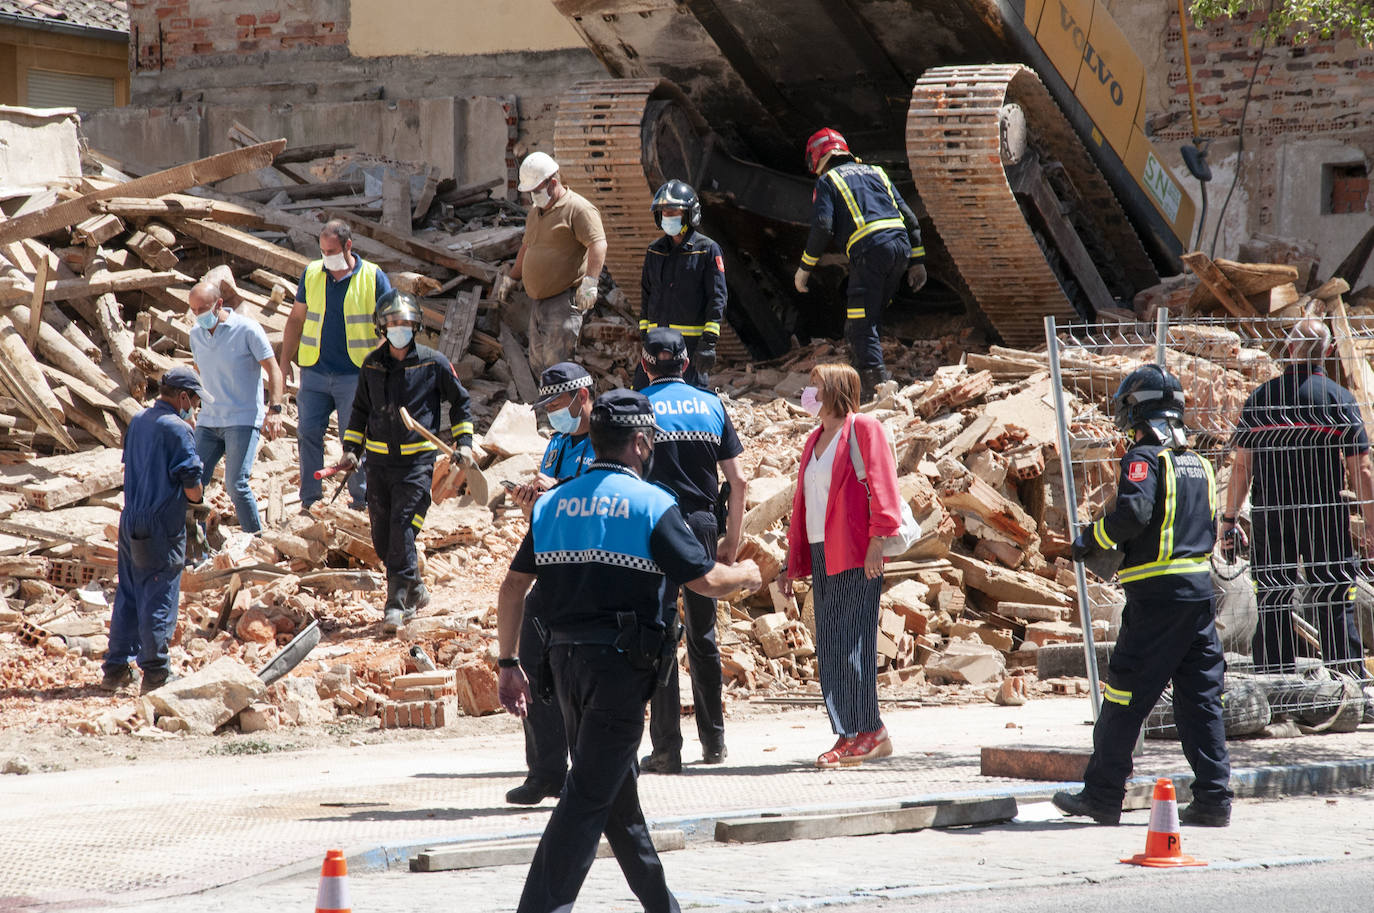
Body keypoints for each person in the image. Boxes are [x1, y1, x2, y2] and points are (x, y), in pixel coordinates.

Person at [495, 389, 762, 913]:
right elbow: (705, 579)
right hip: (619, 673)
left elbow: (512, 589)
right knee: (587, 798)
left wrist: (508, 663)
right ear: (641, 442)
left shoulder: (552, 503)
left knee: (617, 799)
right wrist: (747, 575)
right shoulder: (652, 503)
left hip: (563, 667)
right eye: (653, 441)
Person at [1056, 365, 1232, 827]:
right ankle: (1214, 801)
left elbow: (1133, 513)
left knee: (1123, 696)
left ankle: (1102, 796)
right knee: (1199, 700)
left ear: (1140, 409)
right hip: (1198, 597)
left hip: (1157, 601)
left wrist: (1091, 538)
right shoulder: (1201, 464)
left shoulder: (1145, 457)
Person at [1225, 317, 1374, 679]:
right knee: (1333, 595)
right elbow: (1361, 471)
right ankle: (1345, 681)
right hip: (1324, 514)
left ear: (1290, 350)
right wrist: (1371, 525)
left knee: (1273, 596)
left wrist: (1228, 520)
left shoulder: (1261, 400)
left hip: (1272, 513)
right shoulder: (1339, 400)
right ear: (1327, 353)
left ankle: (1275, 682)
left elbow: (1242, 468)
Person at [780, 363, 900, 767]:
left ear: (833, 390)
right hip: (821, 551)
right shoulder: (814, 438)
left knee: (853, 642)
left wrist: (877, 542)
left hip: (855, 550)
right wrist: (789, 562)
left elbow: (884, 485)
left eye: (814, 386)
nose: (808, 392)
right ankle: (851, 732)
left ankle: (868, 731)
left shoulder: (864, 428)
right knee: (831, 643)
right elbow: (805, 505)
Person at [638, 328, 747, 773]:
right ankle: (715, 744)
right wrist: (732, 541)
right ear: (685, 364)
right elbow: (738, 481)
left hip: (656, 527)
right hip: (703, 527)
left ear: (646, 364)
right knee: (703, 636)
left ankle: (666, 750)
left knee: (662, 634)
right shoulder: (711, 404)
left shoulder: (639, 406)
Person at [331, 290, 473, 633]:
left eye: (405, 323)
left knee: (402, 531)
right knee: (382, 540)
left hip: (417, 466)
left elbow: (461, 403)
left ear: (416, 326)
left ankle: (395, 605)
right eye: (393, 323)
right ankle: (417, 589)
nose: (399, 328)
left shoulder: (433, 363)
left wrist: (464, 443)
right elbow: (360, 412)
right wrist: (352, 450)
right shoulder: (372, 365)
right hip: (378, 468)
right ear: (382, 327)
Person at [504, 361, 597, 806]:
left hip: (591, 569)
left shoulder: (606, 442)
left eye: (557, 403)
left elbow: (601, 497)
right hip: (550, 561)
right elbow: (544, 513)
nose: (553, 413)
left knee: (579, 678)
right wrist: (532, 501)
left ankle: (586, 774)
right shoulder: (557, 444)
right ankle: (544, 772)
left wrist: (556, 489)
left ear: (582, 397)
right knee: (534, 668)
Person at [793, 128, 926, 400]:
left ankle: (878, 390)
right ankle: (860, 377)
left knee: (861, 323)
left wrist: (804, 269)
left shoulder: (828, 181)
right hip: (900, 247)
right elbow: (910, 218)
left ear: (816, 158)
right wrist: (917, 262)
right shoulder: (877, 172)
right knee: (867, 318)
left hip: (870, 250)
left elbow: (822, 226)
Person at [100, 366, 207, 693]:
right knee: (159, 595)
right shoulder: (178, 430)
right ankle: (156, 672)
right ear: (184, 397)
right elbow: (194, 490)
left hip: (131, 517)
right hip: (161, 525)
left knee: (130, 593)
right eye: (196, 401)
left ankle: (116, 668)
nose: (196, 407)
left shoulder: (139, 421)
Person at [281, 220, 394, 510]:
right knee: (307, 435)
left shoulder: (372, 276)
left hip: (355, 377)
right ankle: (310, 502)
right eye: (322, 250)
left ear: (348, 246)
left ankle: (361, 503)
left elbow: (392, 328)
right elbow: (296, 320)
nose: (326, 256)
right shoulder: (312, 273)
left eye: (331, 250)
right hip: (315, 372)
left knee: (354, 443)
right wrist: (283, 367)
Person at [185, 280, 284, 534]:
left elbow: (273, 369)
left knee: (235, 484)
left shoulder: (247, 329)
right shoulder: (196, 334)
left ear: (219, 304)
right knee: (192, 482)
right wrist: (190, 410)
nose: (198, 316)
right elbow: (199, 374)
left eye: (203, 309)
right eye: (193, 310)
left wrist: (275, 410)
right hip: (209, 420)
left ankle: (256, 539)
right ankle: (193, 541)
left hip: (242, 418)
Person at [507, 151, 608, 376]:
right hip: (538, 302)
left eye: (537, 190)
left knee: (558, 368)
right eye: (530, 192)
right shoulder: (535, 213)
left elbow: (598, 244)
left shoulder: (578, 209)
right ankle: (548, 410)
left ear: (553, 182)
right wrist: (512, 277)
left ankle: (569, 410)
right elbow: (527, 247)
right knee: (538, 365)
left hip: (562, 302)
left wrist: (590, 283)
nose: (533, 196)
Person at [634, 180, 727, 390]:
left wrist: (709, 343)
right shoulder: (655, 250)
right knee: (642, 397)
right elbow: (647, 295)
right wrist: (644, 334)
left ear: (688, 214)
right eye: (664, 212)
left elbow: (717, 299)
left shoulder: (707, 250)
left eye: (673, 211)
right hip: (656, 346)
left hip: (690, 349)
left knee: (690, 401)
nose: (668, 217)